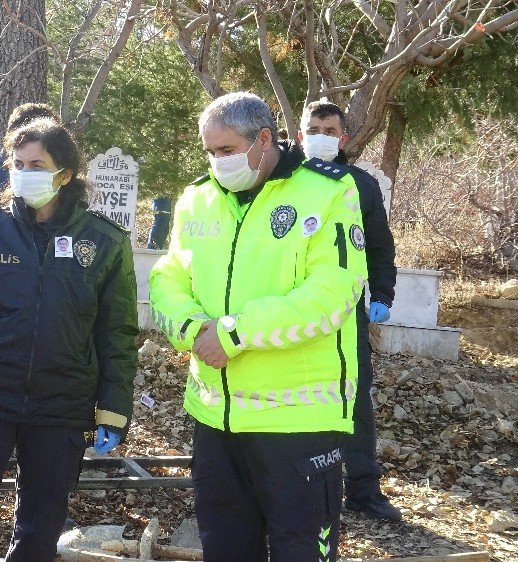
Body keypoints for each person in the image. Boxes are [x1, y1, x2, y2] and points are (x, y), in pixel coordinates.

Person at [148, 92, 368, 561]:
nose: (216, 162)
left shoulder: (329, 191)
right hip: (216, 419)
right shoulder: (198, 198)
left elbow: (333, 293)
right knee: (225, 548)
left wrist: (234, 334)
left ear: (263, 139)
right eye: (209, 151)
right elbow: (168, 276)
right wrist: (191, 329)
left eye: (226, 151)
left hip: (297, 422)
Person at [0, 119, 138, 562]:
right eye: (18, 164)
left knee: (40, 528)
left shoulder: (105, 240)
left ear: (66, 173)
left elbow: (117, 332)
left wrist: (114, 408)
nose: (25, 173)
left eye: (37, 164)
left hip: (61, 401)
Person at [298, 100, 401, 521]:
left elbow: (379, 243)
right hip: (289, 308)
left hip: (345, 312)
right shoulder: (281, 176)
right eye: (313, 127)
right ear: (301, 132)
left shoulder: (361, 184)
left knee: (355, 396)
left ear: (343, 137)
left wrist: (382, 293)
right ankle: (296, 482)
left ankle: (362, 487)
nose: (321, 135)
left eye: (329, 129)